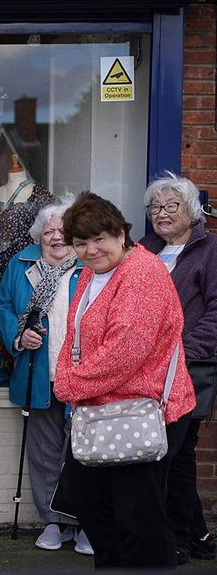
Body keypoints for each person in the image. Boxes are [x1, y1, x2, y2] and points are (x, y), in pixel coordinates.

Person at [55, 191, 196, 568]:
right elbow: (75, 336)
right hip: (103, 411)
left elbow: (125, 351)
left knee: (140, 521)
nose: (90, 250)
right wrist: (67, 373)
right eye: (80, 243)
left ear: (121, 233)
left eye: (99, 239)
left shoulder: (143, 273)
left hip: (145, 412)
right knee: (87, 499)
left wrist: (69, 385)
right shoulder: (91, 272)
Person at [0, 197, 93, 555]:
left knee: (82, 451)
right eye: (48, 230)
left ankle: (84, 522)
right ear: (39, 236)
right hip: (38, 372)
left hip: (83, 374)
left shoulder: (91, 266)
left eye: (62, 230)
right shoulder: (21, 266)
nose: (55, 236)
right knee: (44, 452)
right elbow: (4, 306)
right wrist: (18, 336)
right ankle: (53, 521)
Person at [139, 173, 217, 563]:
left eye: (171, 206)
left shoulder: (209, 250)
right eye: (155, 207)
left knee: (168, 453)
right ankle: (196, 535)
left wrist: (183, 351)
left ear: (192, 210)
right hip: (147, 372)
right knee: (178, 454)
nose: (162, 214)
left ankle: (173, 537)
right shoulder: (143, 251)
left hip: (187, 369)